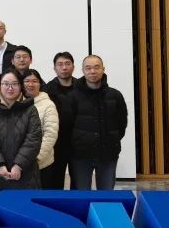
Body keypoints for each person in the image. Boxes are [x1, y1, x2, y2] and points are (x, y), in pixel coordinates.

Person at [0, 69, 43, 209]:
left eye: (14, 84)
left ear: (21, 86)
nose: (10, 88)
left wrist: (18, 165)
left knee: (25, 211)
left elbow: (33, 139)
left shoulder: (30, 109)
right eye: (5, 84)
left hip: (25, 172)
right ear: (0, 86)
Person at [68, 55, 128, 191]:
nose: (92, 71)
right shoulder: (73, 96)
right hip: (80, 155)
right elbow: (67, 126)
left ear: (103, 69)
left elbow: (122, 124)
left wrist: (111, 140)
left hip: (108, 153)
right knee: (81, 195)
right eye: (88, 68)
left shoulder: (115, 95)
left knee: (106, 194)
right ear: (83, 71)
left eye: (96, 67)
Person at [42, 52, 76, 189]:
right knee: (55, 183)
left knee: (78, 184)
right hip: (56, 144)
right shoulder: (47, 90)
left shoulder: (82, 87)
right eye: (60, 64)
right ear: (54, 68)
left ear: (73, 67)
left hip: (78, 144)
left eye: (67, 64)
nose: (64, 67)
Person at [23, 70, 59, 184]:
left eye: (35, 81)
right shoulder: (17, 103)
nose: (30, 84)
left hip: (42, 163)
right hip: (20, 164)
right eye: (27, 81)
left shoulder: (48, 105)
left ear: (40, 84)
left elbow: (50, 134)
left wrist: (36, 158)